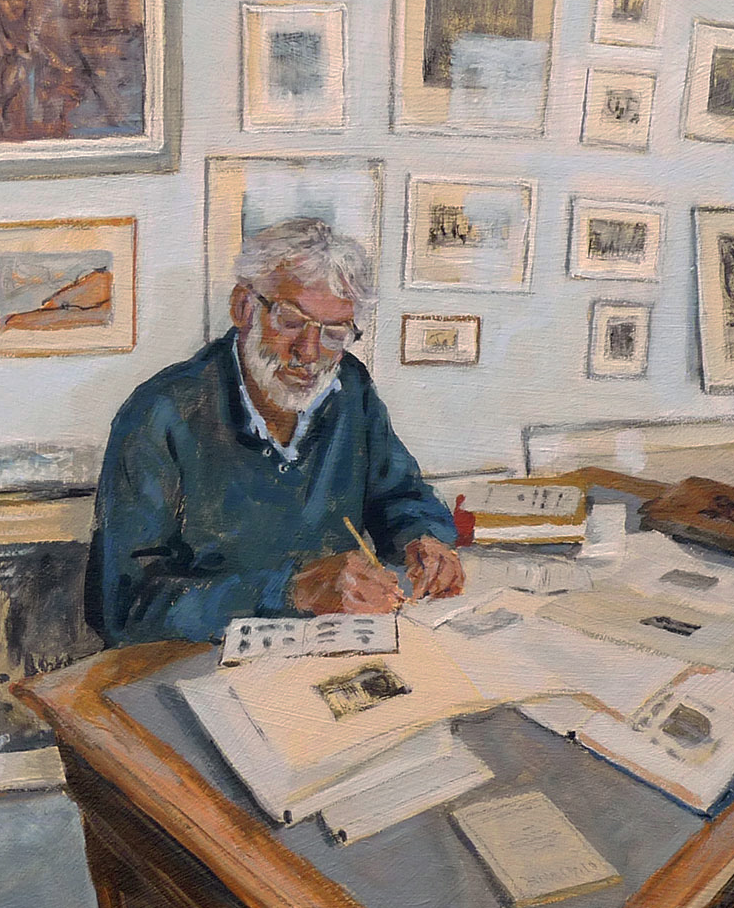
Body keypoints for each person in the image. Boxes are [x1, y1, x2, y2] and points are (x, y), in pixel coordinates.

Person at [86, 218, 464, 646]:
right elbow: (126, 607)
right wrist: (291, 590)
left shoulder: (349, 388)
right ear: (243, 308)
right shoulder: (161, 413)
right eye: (291, 321)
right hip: (199, 661)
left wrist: (423, 539)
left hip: (335, 645)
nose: (310, 352)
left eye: (334, 333)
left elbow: (399, 494)